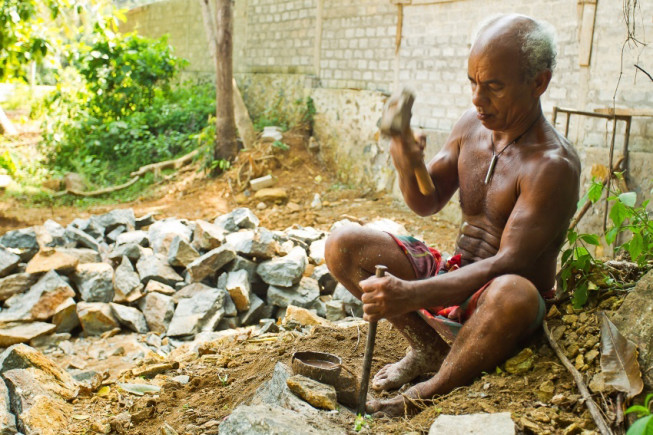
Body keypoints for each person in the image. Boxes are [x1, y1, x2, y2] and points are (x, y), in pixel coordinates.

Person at [324, 13, 581, 417]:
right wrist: (406, 163)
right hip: (453, 274)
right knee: (343, 244)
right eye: (473, 83)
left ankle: (424, 393)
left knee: (514, 293)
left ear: (538, 83)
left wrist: (410, 294)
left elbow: (509, 262)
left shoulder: (552, 165)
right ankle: (428, 349)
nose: (478, 99)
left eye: (493, 86)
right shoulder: (471, 125)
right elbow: (426, 200)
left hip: (497, 302)